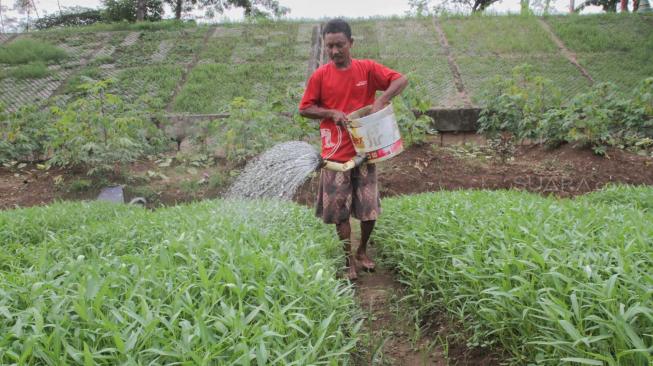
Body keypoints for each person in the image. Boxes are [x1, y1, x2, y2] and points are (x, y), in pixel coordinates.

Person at [298, 19, 408, 280]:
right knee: (340, 212)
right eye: (329, 46)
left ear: (351, 43)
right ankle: (348, 261)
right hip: (335, 154)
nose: (334, 51)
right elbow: (304, 108)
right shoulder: (320, 76)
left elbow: (400, 80)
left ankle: (362, 251)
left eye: (339, 45)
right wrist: (329, 113)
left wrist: (381, 99)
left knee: (369, 210)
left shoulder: (367, 69)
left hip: (365, 151)